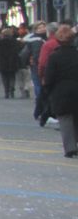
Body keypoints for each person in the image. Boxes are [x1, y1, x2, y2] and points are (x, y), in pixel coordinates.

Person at [43, 24, 78, 157]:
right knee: (76, 117)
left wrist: (47, 89)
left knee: (65, 119)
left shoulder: (54, 57)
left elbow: (49, 77)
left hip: (60, 91)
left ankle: (70, 148)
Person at [0, 28, 22, 99]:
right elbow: (19, 50)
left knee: (4, 77)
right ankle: (12, 90)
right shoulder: (15, 41)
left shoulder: (0, 42)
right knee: (12, 76)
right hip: (13, 61)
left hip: (2, 62)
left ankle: (6, 92)